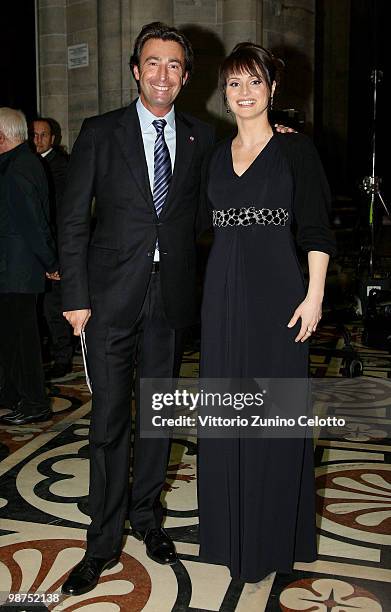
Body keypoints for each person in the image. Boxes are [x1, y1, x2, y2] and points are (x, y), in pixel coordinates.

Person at [57, 22, 215, 596]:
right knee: (109, 423)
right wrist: (74, 296)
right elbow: (73, 219)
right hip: (106, 303)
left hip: (168, 300)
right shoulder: (101, 132)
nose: (163, 74)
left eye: (174, 65)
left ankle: (147, 519)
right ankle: (101, 542)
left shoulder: (202, 138)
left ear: (186, 76)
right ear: (135, 70)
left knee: (161, 417)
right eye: (153, 63)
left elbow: (203, 218)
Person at [198, 43, 337, 583]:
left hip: (280, 297)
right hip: (222, 298)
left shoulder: (295, 151)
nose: (245, 93)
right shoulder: (212, 153)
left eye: (254, 82)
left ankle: (270, 541)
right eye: (235, 83)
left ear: (273, 89)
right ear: (224, 92)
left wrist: (315, 294)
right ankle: (231, 539)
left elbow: (316, 228)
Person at [0, 108, 59, 426]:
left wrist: (50, 261)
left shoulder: (18, 169)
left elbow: (34, 223)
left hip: (18, 272)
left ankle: (36, 402)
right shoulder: (18, 163)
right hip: (13, 272)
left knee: (23, 341)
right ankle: (10, 393)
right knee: (11, 339)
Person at [31, 118, 73, 380]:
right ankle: (49, 352)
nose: (37, 140)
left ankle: (63, 357)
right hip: (38, 250)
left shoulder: (60, 166)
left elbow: (61, 214)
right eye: (34, 135)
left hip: (57, 248)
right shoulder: (31, 163)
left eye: (43, 135)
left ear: (53, 139)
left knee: (54, 307)